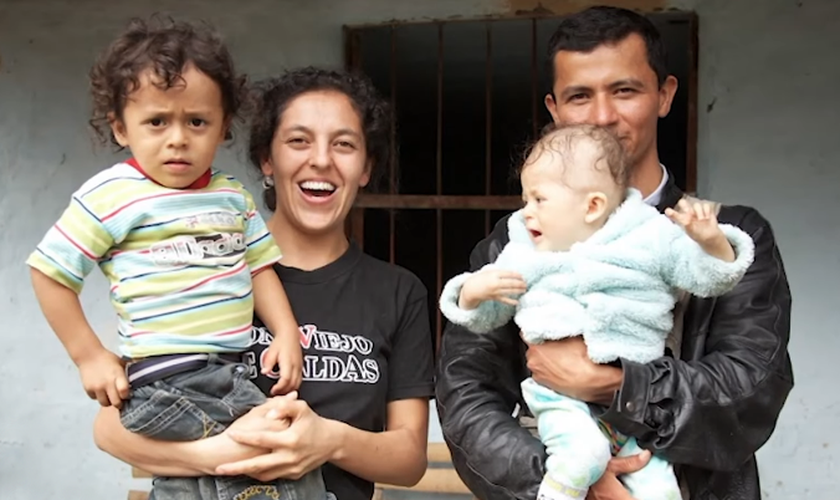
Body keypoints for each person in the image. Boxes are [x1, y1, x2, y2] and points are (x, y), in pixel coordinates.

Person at [435, 6, 793, 500]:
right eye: (580, 96)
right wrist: (572, 478)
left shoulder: (724, 239)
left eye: (624, 90)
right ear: (555, 110)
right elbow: (464, 396)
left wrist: (611, 384)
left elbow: (751, 390)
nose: (603, 116)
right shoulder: (514, 241)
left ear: (664, 95)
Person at [92, 66, 435, 500]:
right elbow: (109, 428)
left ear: (366, 167)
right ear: (267, 160)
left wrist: (328, 441)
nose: (322, 160)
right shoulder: (205, 265)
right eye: (298, 140)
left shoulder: (398, 292)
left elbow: (408, 459)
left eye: (344, 145)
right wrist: (220, 453)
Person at [26, 16, 313, 500]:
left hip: (229, 369)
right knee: (280, 463)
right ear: (121, 127)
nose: (177, 138)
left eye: (196, 121)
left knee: (199, 483)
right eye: (157, 121)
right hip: (167, 378)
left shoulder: (232, 197)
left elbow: (258, 267)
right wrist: (90, 356)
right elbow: (49, 273)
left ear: (222, 128)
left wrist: (286, 332)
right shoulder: (112, 195)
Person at [439, 123, 754, 500]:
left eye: (539, 200)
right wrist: (471, 293)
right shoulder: (524, 249)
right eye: (525, 200)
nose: (526, 213)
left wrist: (714, 244)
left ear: (592, 206)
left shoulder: (650, 236)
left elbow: (706, 278)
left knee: (660, 490)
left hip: (639, 414)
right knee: (581, 457)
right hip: (559, 400)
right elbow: (489, 313)